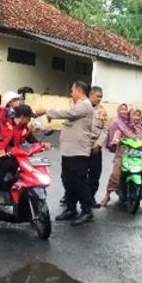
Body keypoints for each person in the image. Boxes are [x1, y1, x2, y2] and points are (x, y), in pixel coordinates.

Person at [0, 104, 44, 236]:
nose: (30, 120)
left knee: (26, 185)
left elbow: (33, 141)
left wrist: (42, 144)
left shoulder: (25, 129)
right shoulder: (1, 125)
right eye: (29, 117)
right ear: (22, 117)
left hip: (16, 161)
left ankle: (27, 213)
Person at [37, 81, 95, 226]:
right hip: (69, 150)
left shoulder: (85, 104)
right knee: (68, 179)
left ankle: (87, 211)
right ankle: (71, 208)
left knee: (79, 180)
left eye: (72, 90)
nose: (71, 93)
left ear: (79, 91)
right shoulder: (77, 104)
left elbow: (69, 114)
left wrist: (48, 111)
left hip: (78, 151)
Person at [102, 109, 142, 210]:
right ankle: (107, 195)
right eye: (134, 115)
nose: (137, 118)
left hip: (138, 156)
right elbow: (117, 134)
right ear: (130, 116)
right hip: (123, 155)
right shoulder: (123, 127)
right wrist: (115, 140)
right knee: (116, 174)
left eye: (139, 115)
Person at [88, 86, 108, 208]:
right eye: (97, 96)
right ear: (91, 95)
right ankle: (71, 197)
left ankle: (91, 198)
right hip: (82, 147)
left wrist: (98, 144)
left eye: (101, 97)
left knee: (95, 175)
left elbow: (105, 130)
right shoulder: (82, 108)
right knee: (79, 175)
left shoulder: (102, 111)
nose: (99, 99)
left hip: (95, 148)